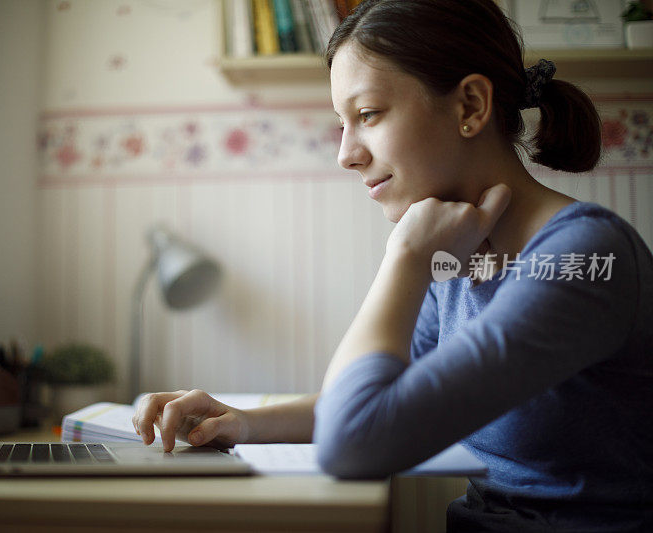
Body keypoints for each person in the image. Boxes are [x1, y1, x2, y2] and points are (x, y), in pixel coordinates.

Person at [133, 0, 653, 530]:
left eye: (367, 115)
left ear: (471, 106)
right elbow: (381, 398)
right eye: (342, 123)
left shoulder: (587, 258)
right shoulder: (461, 254)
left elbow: (353, 440)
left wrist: (405, 258)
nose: (346, 154)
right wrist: (239, 423)